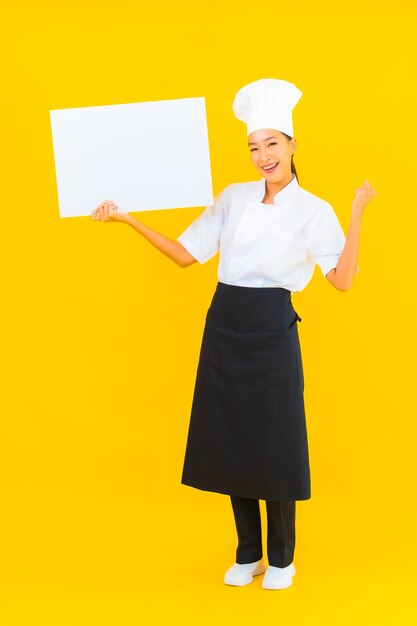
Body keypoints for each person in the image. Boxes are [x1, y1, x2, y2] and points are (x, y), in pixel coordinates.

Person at [91, 78, 377, 590]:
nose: (262, 155)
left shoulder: (315, 211)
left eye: (271, 143)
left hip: (272, 328)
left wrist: (356, 212)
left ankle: (283, 558)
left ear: (291, 144)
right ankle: (248, 552)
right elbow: (185, 254)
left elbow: (342, 281)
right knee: (231, 439)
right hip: (224, 323)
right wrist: (128, 219)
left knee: (275, 442)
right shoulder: (233, 198)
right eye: (253, 146)